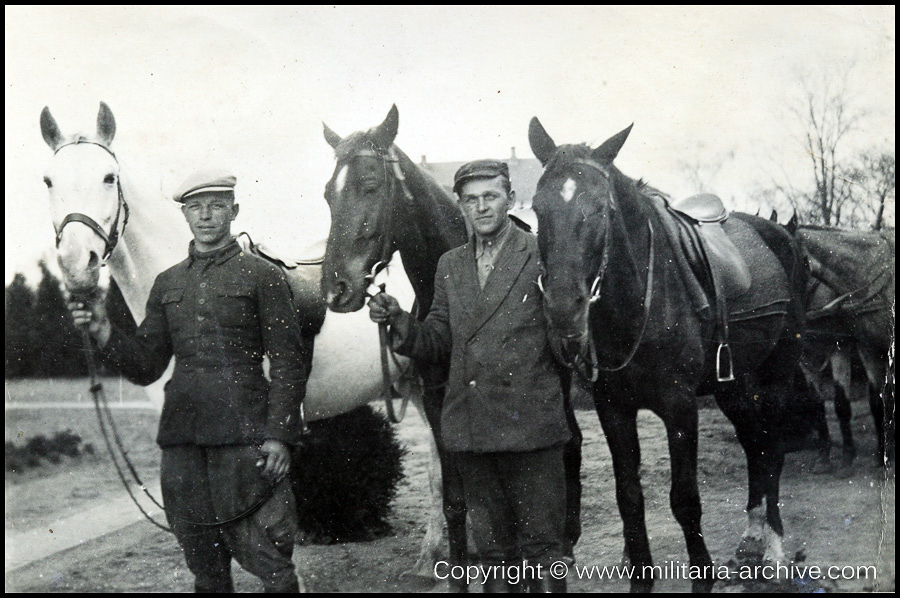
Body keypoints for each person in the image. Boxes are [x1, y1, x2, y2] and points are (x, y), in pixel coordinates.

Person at [68, 169, 310, 593]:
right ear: (184, 215)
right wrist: (103, 329)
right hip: (183, 444)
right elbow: (146, 364)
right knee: (204, 564)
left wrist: (280, 436)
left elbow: (290, 362)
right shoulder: (168, 283)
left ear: (234, 210)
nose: (206, 216)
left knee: (269, 559)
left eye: (217, 205)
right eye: (196, 207)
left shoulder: (261, 276)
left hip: (246, 439)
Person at [369, 160, 571, 593]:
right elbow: (438, 337)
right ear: (460, 206)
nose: (481, 208)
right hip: (473, 432)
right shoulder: (450, 265)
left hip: (531, 432)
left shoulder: (541, 254)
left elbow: (568, 340)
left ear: (510, 200)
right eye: (471, 200)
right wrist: (399, 321)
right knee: (494, 556)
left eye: (491, 197)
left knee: (543, 552)